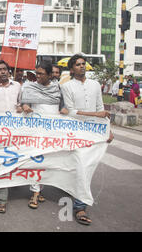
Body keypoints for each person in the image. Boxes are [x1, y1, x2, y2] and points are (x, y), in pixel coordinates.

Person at [60, 54, 113, 226]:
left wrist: (108, 130)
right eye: (78, 64)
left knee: (87, 167)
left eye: (83, 64)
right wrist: (95, 114)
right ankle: (80, 207)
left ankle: (78, 198)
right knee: (81, 166)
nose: (82, 67)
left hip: (94, 132)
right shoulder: (66, 86)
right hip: (75, 131)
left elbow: (100, 109)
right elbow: (71, 111)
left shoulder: (95, 85)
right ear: (71, 68)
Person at [19, 61, 68, 209]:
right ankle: (34, 192)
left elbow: (63, 105)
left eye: (41, 73)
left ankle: (40, 189)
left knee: (49, 162)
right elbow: (24, 103)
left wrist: (64, 109)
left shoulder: (57, 88)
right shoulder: (30, 87)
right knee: (36, 161)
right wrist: (25, 106)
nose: (37, 76)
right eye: (36, 73)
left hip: (53, 132)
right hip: (36, 131)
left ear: (49, 75)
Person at [0, 60, 21, 214]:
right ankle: (2, 199)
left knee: (15, 160)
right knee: (1, 162)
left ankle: (14, 184)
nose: (3, 72)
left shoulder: (18, 86)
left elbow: (22, 103)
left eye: (5, 69)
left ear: (9, 71)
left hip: (16, 130)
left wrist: (22, 107)